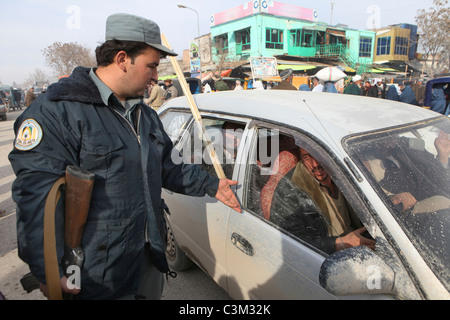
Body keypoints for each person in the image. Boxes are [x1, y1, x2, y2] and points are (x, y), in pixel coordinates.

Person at [8, 13, 241, 300]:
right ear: (122, 59)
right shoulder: (57, 113)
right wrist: (49, 271)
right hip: (93, 275)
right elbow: (36, 200)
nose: (157, 76)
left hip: (146, 258)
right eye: (152, 66)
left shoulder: (144, 115)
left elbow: (168, 165)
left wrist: (210, 185)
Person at [268, 147, 375, 254]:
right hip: (326, 256)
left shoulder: (347, 172)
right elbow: (288, 241)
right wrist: (337, 244)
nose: (315, 164)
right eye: (307, 157)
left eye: (319, 155)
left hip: (363, 245)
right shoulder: (290, 188)